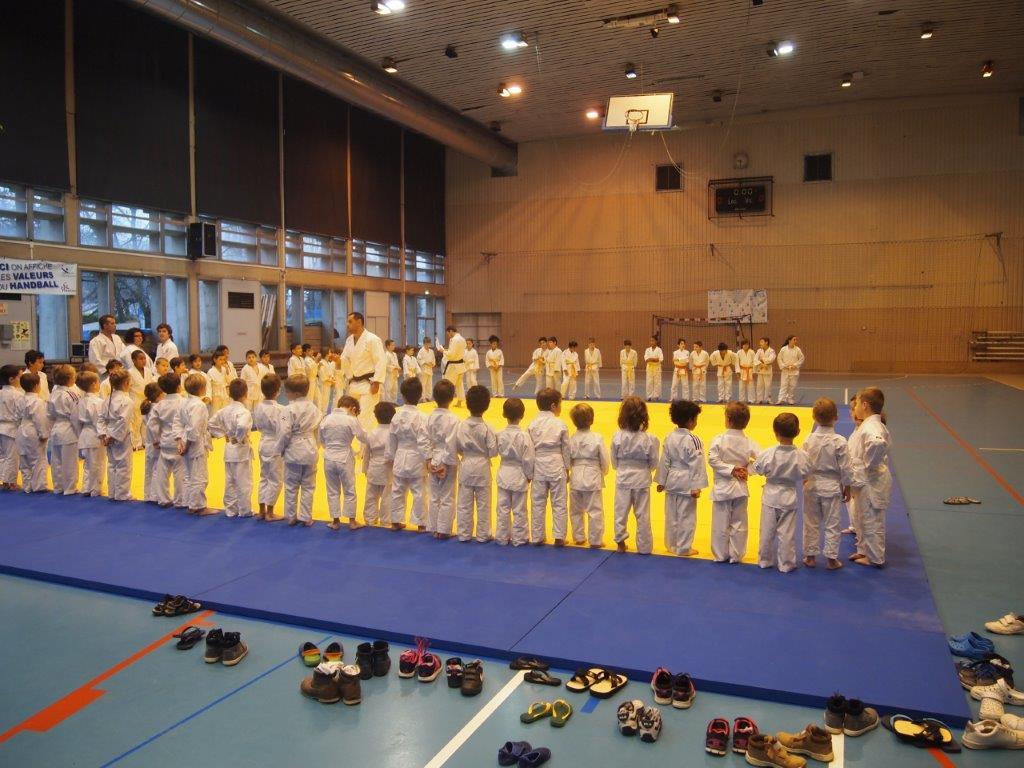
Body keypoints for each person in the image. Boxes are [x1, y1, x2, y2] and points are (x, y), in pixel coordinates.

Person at [801, 398, 856, 570]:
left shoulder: (808, 439)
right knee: (833, 524)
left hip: (811, 484)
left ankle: (810, 556)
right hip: (832, 486)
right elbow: (846, 468)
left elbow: (802, 462)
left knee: (811, 522)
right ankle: (832, 559)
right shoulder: (839, 441)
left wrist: (804, 478)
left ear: (813, 417)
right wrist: (847, 486)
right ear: (836, 417)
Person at [752, 413, 811, 573]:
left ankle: (764, 560)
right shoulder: (802, 455)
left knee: (766, 531)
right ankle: (786, 563)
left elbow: (758, 469)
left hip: (770, 496)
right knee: (787, 533)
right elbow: (807, 472)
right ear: (798, 432)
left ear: (775, 432)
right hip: (789, 496)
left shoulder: (767, 453)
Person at [708, 402, 760, 563]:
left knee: (720, 523)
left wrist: (731, 470)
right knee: (739, 523)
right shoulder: (750, 442)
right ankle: (736, 555)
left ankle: (720, 554)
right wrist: (747, 470)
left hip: (722, 488)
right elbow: (763, 460)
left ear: (728, 420)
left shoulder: (719, 440)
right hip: (740, 488)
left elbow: (712, 460)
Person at [656, 399, 708, 557]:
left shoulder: (669, 437)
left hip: (671, 480)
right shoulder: (694, 440)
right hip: (687, 482)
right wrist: (696, 487)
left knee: (671, 515)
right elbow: (697, 464)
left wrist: (661, 481)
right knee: (687, 517)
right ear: (691, 420)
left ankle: (671, 544)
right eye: (696, 419)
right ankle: (684, 547)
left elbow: (664, 461)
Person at [848, 387, 891, 568]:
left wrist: (869, 464)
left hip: (871, 480)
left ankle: (875, 557)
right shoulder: (868, 424)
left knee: (872, 520)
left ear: (865, 405)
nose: (855, 407)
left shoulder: (872, 427)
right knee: (861, 517)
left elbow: (877, 443)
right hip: (864, 480)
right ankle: (864, 550)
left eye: (857, 403)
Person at [611, 396, 659, 554]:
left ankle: (620, 543)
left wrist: (622, 467)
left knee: (620, 512)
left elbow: (614, 462)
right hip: (642, 478)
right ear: (644, 416)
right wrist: (645, 469)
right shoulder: (650, 438)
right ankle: (644, 547)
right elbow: (654, 463)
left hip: (623, 477)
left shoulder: (617, 436)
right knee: (643, 514)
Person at [274, 374, 322, 527]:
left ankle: (291, 516)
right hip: (310, 448)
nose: (285, 394)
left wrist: (280, 449)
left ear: (295, 393)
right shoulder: (315, 408)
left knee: (291, 485)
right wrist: (317, 447)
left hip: (293, 449)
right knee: (308, 486)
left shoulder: (287, 410)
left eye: (287, 392)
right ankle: (306, 517)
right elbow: (318, 431)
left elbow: (284, 432)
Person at [453, 385, 498, 543]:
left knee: (464, 503)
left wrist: (466, 453)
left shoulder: (461, 426)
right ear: (486, 405)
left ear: (467, 403)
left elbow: (457, 447)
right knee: (484, 504)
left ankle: (464, 533)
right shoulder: (487, 428)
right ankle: (483, 534)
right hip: (482, 467)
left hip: (466, 464)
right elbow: (493, 451)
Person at [388, 376, 432, 531]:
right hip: (417, 457)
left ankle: (395, 521)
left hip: (400, 456)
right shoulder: (422, 417)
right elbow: (424, 440)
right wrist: (429, 458)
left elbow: (391, 438)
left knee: (397, 490)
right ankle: (421, 524)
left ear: (403, 396)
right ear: (420, 396)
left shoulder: (396, 415)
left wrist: (390, 456)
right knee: (419, 492)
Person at [528, 387, 570, 546]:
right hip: (556, 463)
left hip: (538, 464)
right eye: (560, 404)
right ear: (553, 406)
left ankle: (537, 536)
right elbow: (566, 448)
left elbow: (529, 449)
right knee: (559, 502)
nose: (560, 407)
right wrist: (567, 468)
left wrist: (529, 470)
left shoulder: (532, 424)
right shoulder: (560, 424)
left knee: (537, 502)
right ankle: (559, 537)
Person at [318, 394, 365, 530]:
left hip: (329, 457)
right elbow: (362, 436)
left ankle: (335, 521)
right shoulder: (351, 420)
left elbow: (321, 440)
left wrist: (330, 448)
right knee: (349, 489)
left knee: (332, 490)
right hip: (344, 458)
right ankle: (352, 521)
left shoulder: (326, 419)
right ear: (352, 408)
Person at [209, 379, 255, 518]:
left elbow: (211, 424)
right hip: (240, 449)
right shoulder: (244, 412)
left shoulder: (224, 410)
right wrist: (238, 437)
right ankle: (244, 510)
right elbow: (242, 426)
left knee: (230, 481)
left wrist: (224, 434)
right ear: (246, 394)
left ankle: (230, 509)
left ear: (229, 394)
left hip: (229, 449)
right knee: (244, 482)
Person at [568, 403, 609, 548]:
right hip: (592, 475)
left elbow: (568, 459)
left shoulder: (571, 438)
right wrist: (604, 471)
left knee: (575, 510)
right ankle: (596, 540)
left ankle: (578, 536)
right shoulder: (597, 438)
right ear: (591, 420)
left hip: (576, 475)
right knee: (595, 510)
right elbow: (604, 459)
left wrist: (570, 470)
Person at [495, 398, 534, 546]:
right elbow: (528, 459)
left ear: (503, 414)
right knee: (519, 509)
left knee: (502, 508)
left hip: (504, 472)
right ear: (522, 415)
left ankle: (501, 537)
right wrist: (529, 475)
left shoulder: (499, 434)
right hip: (519, 474)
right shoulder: (524, 436)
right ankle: (519, 538)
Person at [340, 312, 387, 432]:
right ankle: (354, 442)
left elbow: (380, 361)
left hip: (369, 384)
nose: (347, 324)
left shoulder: (372, 339)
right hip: (354, 384)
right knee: (351, 417)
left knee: (365, 419)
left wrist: (377, 382)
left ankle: (366, 444)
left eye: (350, 321)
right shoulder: (349, 340)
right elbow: (345, 359)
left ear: (359, 322)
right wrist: (337, 361)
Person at [174, 373, 214, 515]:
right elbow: (194, 428)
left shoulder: (183, 402)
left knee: (189, 475)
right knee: (199, 476)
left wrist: (180, 440)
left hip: (185, 440)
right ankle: (198, 506)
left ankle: (189, 502)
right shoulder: (199, 405)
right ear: (202, 388)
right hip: (194, 444)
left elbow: (177, 422)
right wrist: (187, 445)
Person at [426, 379, 460, 537]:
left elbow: (424, 439)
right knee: (447, 496)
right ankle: (443, 530)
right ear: (452, 397)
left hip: (434, 457)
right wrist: (445, 464)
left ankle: (434, 528)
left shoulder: (429, 417)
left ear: (434, 397)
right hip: (447, 459)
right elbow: (451, 443)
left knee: (434, 496)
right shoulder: (453, 419)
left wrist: (428, 459)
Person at [149, 373, 186, 508]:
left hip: (164, 441)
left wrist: (155, 439)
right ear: (179, 386)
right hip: (180, 442)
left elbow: (152, 425)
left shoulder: (159, 405)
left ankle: (163, 499)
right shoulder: (184, 402)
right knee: (180, 473)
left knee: (162, 472)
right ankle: (180, 500)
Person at [253, 374, 286, 522]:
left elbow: (258, 426)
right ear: (278, 391)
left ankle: (261, 510)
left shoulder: (258, 407)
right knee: (275, 479)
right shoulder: (280, 409)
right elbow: (283, 429)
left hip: (263, 442)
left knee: (264, 477)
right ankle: (270, 512)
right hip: (275, 444)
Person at [99, 370, 135, 502]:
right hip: (121, 436)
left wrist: (103, 435)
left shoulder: (108, 399)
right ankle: (122, 494)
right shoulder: (127, 401)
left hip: (109, 433)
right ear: (127, 383)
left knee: (112, 464)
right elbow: (123, 421)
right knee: (123, 465)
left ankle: (113, 492)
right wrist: (113, 436)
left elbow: (101, 418)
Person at [361, 401, 395, 527]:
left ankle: (370, 519)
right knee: (388, 496)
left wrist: (365, 469)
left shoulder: (371, 433)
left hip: (374, 467)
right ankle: (386, 520)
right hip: (389, 468)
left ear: (376, 416)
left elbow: (366, 454)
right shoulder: (393, 434)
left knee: (371, 495)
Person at [47, 365, 80, 495]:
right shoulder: (71, 395)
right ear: (70, 378)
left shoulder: (53, 393)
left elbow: (49, 414)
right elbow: (75, 416)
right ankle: (70, 487)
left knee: (57, 461)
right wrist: (79, 432)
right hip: (69, 429)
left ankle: (58, 486)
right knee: (70, 461)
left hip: (56, 428)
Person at [17, 372, 50, 493]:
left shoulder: (20, 399)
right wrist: (44, 434)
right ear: (37, 386)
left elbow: (16, 416)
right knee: (38, 459)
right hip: (33, 430)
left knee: (24, 460)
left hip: (21, 429)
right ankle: (39, 486)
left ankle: (27, 486)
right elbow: (40, 419)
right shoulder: (37, 401)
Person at [75, 371, 105, 497]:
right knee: (98, 463)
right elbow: (98, 421)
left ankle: (86, 487)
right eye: (98, 382)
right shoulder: (97, 402)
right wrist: (103, 434)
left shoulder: (80, 401)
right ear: (93, 384)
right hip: (95, 434)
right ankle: (95, 489)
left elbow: (76, 420)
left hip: (84, 433)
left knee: (88, 464)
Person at [0, 365, 24, 491]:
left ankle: (4, 480)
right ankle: (10, 482)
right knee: (12, 456)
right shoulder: (17, 395)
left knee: (2, 455)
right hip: (11, 428)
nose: (21, 379)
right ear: (11, 379)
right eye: (19, 377)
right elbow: (20, 413)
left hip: (2, 426)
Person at [140, 382, 164, 503]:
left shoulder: (147, 407)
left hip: (149, 442)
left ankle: (148, 494)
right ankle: (155, 495)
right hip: (156, 442)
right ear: (159, 395)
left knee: (149, 469)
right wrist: (157, 440)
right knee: (157, 469)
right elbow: (153, 427)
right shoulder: (156, 408)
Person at [439, 325, 468, 409]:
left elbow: (451, 354)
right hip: (460, 365)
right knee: (459, 384)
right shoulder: (462, 339)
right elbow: (457, 352)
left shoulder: (454, 340)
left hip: (453, 366)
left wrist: (443, 351)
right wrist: (447, 350)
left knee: (448, 385)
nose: (448, 335)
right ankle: (459, 402)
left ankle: (444, 403)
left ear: (451, 331)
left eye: (448, 333)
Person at [776, 335, 804, 405]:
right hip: (785, 370)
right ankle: (781, 399)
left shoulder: (797, 349)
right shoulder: (783, 349)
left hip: (794, 371)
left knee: (792, 386)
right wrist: (784, 366)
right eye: (794, 340)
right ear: (789, 340)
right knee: (783, 385)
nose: (795, 341)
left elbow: (802, 358)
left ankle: (790, 399)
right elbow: (779, 358)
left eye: (796, 340)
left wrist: (795, 365)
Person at [754, 338, 776, 405]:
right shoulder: (759, 351)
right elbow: (755, 359)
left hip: (767, 370)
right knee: (759, 385)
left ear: (766, 342)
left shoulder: (771, 351)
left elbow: (771, 359)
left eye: (761, 342)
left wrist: (762, 360)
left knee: (768, 385)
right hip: (760, 369)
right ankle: (759, 399)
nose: (760, 343)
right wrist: (761, 364)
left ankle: (768, 399)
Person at [736, 340, 757, 404]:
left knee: (751, 386)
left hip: (750, 370)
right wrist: (737, 372)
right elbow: (737, 362)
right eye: (744, 344)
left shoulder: (752, 352)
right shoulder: (739, 352)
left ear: (749, 345)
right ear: (742, 345)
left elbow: (754, 362)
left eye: (747, 344)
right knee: (741, 386)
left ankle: (751, 399)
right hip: (742, 370)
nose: (745, 346)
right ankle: (742, 400)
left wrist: (754, 372)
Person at [416, 337, 437, 402]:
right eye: (427, 344)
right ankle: (423, 398)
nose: (428, 345)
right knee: (423, 384)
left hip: (430, 369)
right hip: (423, 370)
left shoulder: (431, 351)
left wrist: (433, 364)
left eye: (429, 343)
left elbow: (433, 359)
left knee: (429, 384)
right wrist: (426, 363)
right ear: (424, 343)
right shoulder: (421, 351)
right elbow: (419, 359)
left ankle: (429, 397)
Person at [317, 349, 337, 414]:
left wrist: (332, 378)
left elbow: (330, 373)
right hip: (323, 384)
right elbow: (323, 376)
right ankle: (321, 415)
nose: (331, 354)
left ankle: (324, 414)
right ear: (326, 354)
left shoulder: (327, 362)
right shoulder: (321, 363)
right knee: (322, 400)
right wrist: (331, 381)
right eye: (330, 352)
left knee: (326, 400)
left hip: (328, 384)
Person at [644, 337, 664, 401]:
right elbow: (646, 359)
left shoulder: (659, 350)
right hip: (649, 367)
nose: (651, 342)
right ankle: (649, 396)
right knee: (649, 382)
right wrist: (654, 359)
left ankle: (656, 396)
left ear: (656, 341)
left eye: (653, 341)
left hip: (657, 368)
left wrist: (651, 359)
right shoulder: (647, 350)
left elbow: (660, 359)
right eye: (651, 341)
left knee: (657, 382)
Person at [383, 339, 401, 403]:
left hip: (395, 374)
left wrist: (398, 367)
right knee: (388, 390)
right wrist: (394, 368)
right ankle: (388, 403)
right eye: (392, 345)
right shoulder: (386, 354)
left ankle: (394, 402)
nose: (394, 346)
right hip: (389, 375)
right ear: (388, 346)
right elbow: (385, 365)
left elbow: (396, 363)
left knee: (395, 389)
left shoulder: (394, 354)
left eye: (394, 345)